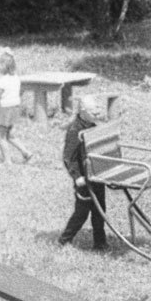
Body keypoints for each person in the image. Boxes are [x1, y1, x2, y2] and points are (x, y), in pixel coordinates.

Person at [57, 94, 108, 250]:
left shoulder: (92, 125)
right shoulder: (75, 130)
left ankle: (100, 243)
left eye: (98, 108)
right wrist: (77, 176)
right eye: (94, 110)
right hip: (84, 179)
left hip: (96, 175)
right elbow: (68, 157)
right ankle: (64, 241)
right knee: (82, 213)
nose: (97, 112)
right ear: (83, 111)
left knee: (100, 211)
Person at [0, 48, 33, 165]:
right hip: (15, 108)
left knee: (1, 136)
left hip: (5, 110)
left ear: (3, 66)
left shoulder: (2, 80)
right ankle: (26, 152)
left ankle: (7, 161)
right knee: (11, 135)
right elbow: (19, 92)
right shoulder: (16, 78)